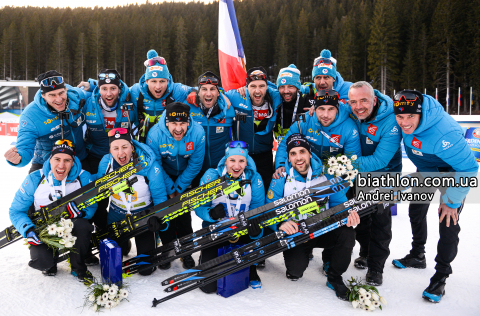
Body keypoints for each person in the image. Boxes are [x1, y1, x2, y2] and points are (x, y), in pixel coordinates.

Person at [392, 90, 478, 303]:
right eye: (400, 117)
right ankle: (418, 255)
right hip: (427, 170)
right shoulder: (402, 121)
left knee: (447, 220)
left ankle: (441, 276)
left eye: (410, 117)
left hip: (453, 172)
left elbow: (468, 168)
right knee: (416, 210)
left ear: (421, 115)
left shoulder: (443, 133)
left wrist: (452, 202)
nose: (404, 123)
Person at [267, 134, 360, 301]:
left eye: (302, 151)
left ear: (310, 153)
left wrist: (349, 214)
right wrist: (280, 223)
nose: (298, 157)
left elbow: (340, 203)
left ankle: (334, 276)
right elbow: (269, 212)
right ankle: (301, 256)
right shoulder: (281, 178)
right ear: (288, 157)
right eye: (293, 153)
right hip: (298, 233)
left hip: (323, 228)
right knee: (295, 272)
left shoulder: (326, 174)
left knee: (348, 233)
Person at [339, 81, 403, 286]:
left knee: (380, 223)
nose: (358, 106)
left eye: (364, 100)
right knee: (360, 220)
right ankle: (365, 253)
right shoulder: (349, 112)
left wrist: (344, 163)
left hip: (384, 176)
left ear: (374, 100)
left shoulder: (390, 120)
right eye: (353, 102)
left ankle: (376, 268)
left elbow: (380, 161)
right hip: (358, 176)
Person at [8, 140, 97, 282]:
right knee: (42, 262)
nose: (61, 165)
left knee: (83, 225)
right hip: (44, 228)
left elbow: (92, 206)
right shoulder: (35, 178)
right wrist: (28, 230)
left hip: (71, 226)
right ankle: (50, 261)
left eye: (67, 160)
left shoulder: (83, 177)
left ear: (73, 162)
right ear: (50, 160)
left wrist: (82, 213)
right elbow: (16, 210)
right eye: (57, 159)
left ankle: (78, 267)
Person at [195, 140, 265, 293]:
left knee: (253, 236)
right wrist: (211, 214)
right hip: (216, 230)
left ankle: (251, 267)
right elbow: (199, 207)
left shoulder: (254, 178)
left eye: (241, 161)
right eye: (232, 160)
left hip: (241, 232)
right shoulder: (212, 176)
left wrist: (255, 229)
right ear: (225, 160)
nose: (236, 166)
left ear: (246, 162)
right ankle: (206, 259)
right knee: (207, 287)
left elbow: (258, 210)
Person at [96, 128, 168, 275]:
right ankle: (125, 242)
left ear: (132, 147)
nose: (121, 153)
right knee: (111, 264)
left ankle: (148, 241)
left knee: (146, 270)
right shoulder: (106, 163)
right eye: (115, 148)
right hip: (117, 215)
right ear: (110, 150)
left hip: (143, 216)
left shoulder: (149, 165)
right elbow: (98, 191)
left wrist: (159, 219)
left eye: (125, 147)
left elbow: (160, 197)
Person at [146, 102, 205, 269]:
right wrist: (170, 188)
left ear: (188, 122)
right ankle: (167, 250)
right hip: (164, 175)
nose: (178, 129)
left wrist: (179, 188)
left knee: (184, 215)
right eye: (174, 124)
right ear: (167, 123)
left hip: (186, 175)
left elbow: (196, 164)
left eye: (182, 124)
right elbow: (155, 165)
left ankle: (186, 251)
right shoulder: (155, 134)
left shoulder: (198, 132)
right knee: (166, 213)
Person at [4, 71, 88, 174]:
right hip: (46, 164)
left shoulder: (76, 96)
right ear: (43, 95)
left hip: (79, 159)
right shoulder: (30, 115)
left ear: (66, 89)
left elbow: (101, 91)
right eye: (52, 95)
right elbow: (24, 147)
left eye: (61, 93)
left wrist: (92, 84)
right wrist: (18, 158)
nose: (59, 99)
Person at [274, 89, 362, 177]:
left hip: (334, 173)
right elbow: (285, 144)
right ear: (314, 108)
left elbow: (352, 163)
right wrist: (281, 165)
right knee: (279, 178)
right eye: (321, 109)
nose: (326, 115)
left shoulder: (349, 127)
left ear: (337, 109)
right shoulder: (304, 121)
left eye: (331, 109)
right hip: (306, 169)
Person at [225, 67, 282, 192]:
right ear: (246, 87)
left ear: (267, 87)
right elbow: (217, 93)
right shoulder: (237, 97)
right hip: (241, 155)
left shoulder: (275, 98)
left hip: (265, 156)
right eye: (253, 86)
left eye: (261, 86)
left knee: (265, 191)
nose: (257, 91)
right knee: (242, 193)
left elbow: (297, 89)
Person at [79, 69, 138, 174]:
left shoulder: (129, 104)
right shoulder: (89, 104)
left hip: (123, 157)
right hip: (95, 156)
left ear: (119, 90)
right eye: (104, 89)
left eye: (113, 88)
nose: (109, 93)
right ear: (99, 89)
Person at [130, 49, 195, 141]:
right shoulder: (136, 90)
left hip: (166, 140)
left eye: (162, 81)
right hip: (142, 139)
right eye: (153, 81)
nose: (158, 86)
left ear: (168, 81)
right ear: (147, 81)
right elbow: (120, 90)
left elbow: (201, 89)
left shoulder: (176, 90)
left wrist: (195, 94)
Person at [187, 71, 235, 186]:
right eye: (204, 89)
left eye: (212, 89)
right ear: (198, 92)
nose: (208, 94)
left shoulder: (228, 109)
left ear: (218, 93)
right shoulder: (189, 108)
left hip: (222, 170)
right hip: (196, 170)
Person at [274, 64, 310, 142]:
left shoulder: (306, 101)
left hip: (301, 149)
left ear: (297, 88)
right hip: (279, 146)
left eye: (290, 86)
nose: (286, 91)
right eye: (282, 86)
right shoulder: (275, 100)